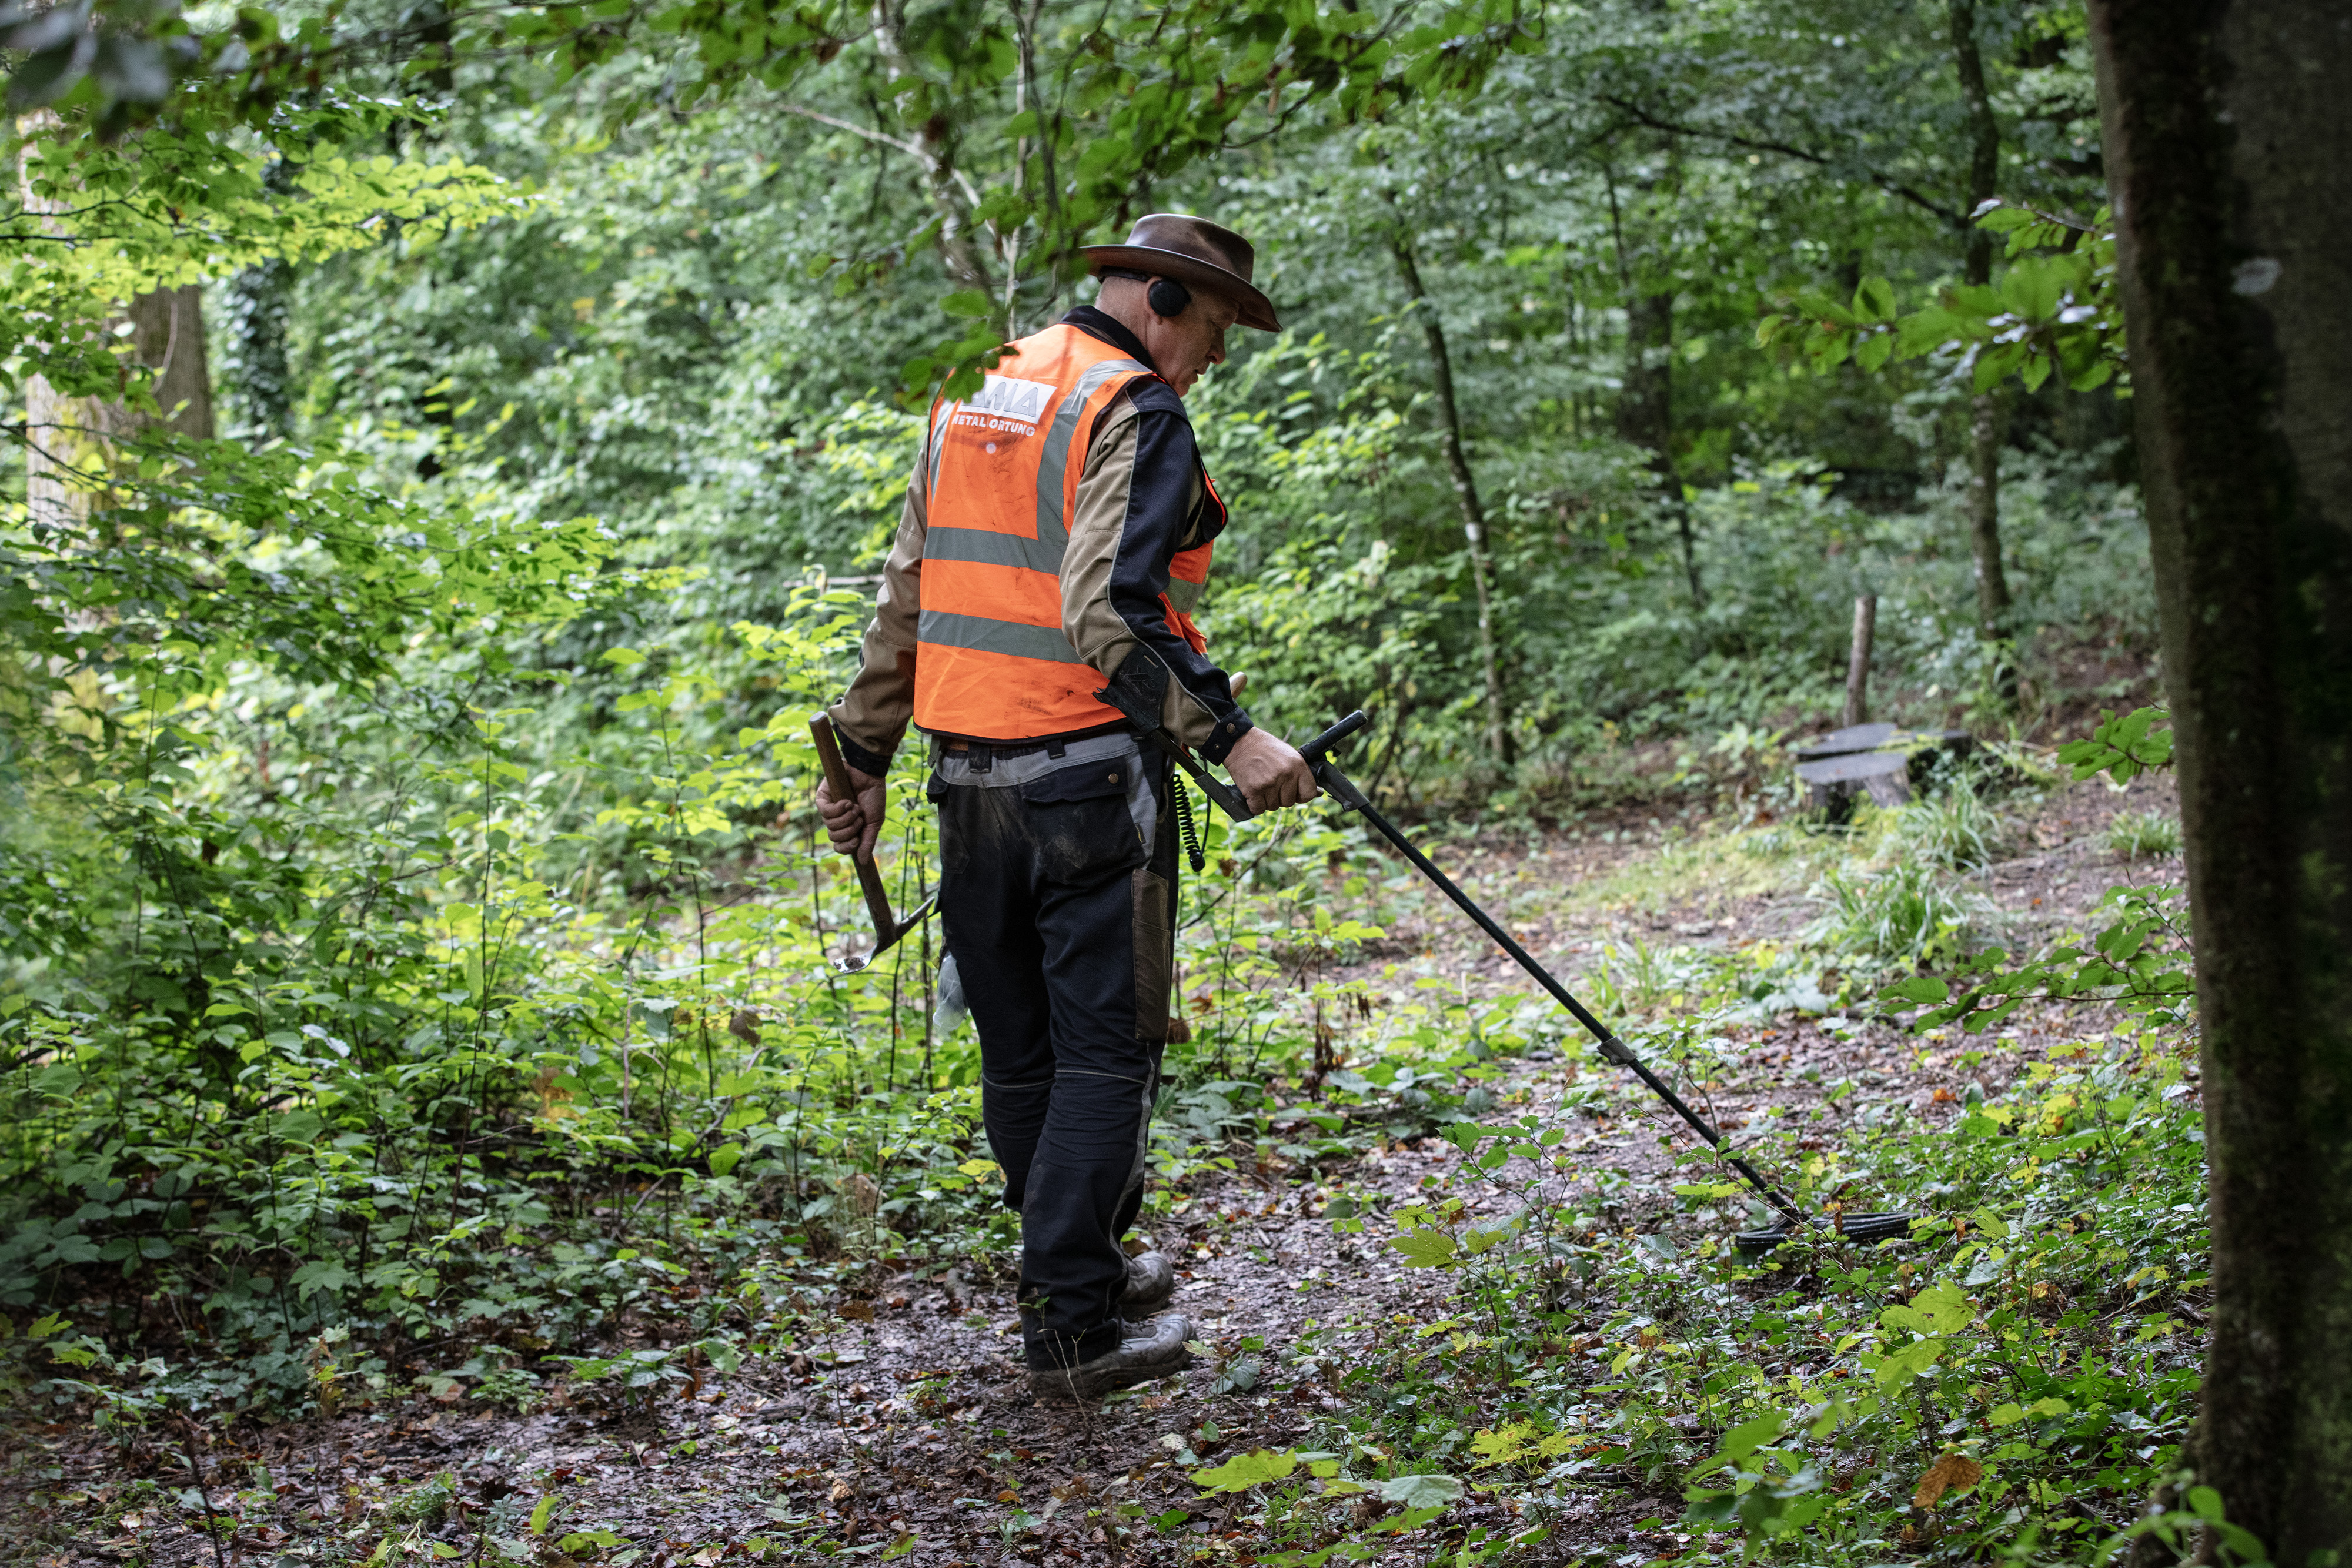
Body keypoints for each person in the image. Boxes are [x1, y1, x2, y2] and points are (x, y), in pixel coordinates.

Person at [814, 215, 1318, 1400]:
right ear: (1160, 298)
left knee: (1023, 1054)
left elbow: (907, 588)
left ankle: (1077, 1267)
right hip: (1086, 781)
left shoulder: (980, 385)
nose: (1214, 358)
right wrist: (1232, 734)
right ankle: (1072, 1331)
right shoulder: (1134, 406)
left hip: (966, 784)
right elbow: (1107, 613)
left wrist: (864, 753)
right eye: (1214, 328)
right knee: (1103, 1059)